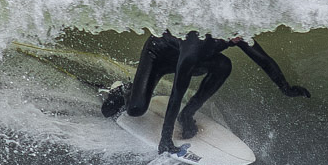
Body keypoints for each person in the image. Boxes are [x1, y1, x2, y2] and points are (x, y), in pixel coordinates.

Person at [100, 30, 311, 154]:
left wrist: (286, 88)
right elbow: (177, 92)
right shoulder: (196, 44)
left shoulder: (235, 33)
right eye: (239, 35)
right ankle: (124, 90)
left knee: (223, 65)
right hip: (159, 55)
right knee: (135, 110)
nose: (243, 38)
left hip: (188, 57)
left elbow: (262, 59)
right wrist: (166, 139)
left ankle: (187, 114)